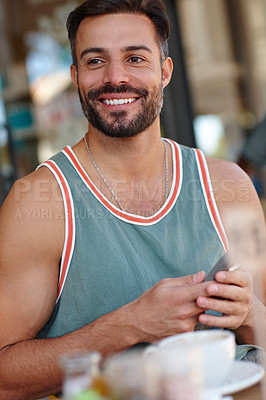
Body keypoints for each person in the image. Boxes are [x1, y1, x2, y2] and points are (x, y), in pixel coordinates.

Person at [0, 0, 265, 398]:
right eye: (95, 62)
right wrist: (130, 325)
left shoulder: (230, 187)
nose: (115, 77)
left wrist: (248, 315)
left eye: (135, 58)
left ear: (165, 70)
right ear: (75, 76)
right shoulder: (38, 204)